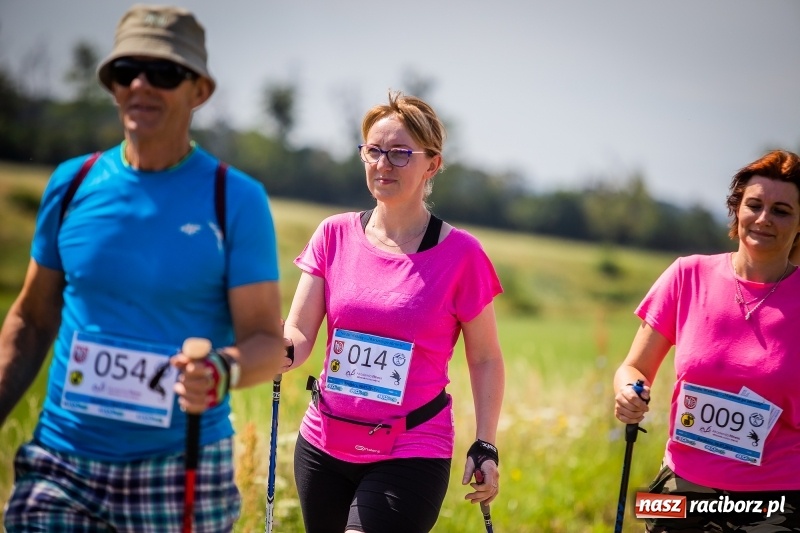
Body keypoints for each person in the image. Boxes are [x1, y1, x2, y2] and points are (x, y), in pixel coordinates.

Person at [0, 4, 288, 531]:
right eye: (125, 71)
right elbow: (32, 320)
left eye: (164, 73)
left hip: (179, 469)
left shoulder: (236, 199)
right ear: (111, 84)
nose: (140, 85)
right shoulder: (72, 183)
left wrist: (222, 369)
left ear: (199, 90)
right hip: (62, 461)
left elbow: (268, 344)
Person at [280, 91, 505, 533]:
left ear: (432, 164)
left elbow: (485, 358)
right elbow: (300, 334)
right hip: (324, 441)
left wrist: (486, 443)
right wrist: (277, 348)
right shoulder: (333, 234)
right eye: (373, 151)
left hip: (411, 447)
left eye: (401, 153)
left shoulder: (462, 255)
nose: (383, 164)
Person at [613, 149, 800, 532]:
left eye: (781, 210)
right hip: (682, 487)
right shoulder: (687, 275)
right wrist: (628, 392)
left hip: (779, 499)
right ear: (736, 210)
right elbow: (633, 368)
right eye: (754, 205)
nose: (764, 219)